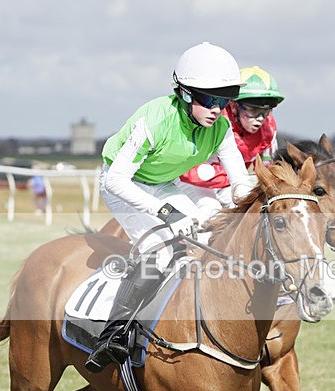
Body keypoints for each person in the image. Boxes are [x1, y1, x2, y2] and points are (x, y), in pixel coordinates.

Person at [85, 42, 252, 373]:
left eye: (225, 99)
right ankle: (114, 334)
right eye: (210, 99)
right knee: (158, 252)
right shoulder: (154, 120)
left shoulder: (220, 128)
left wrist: (257, 201)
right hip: (122, 184)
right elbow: (118, 180)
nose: (218, 109)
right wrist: (163, 213)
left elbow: (240, 184)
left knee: (206, 238)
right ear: (187, 93)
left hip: (164, 184)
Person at [177, 65, 284, 221]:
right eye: (253, 110)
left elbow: (267, 169)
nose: (261, 118)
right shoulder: (214, 122)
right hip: (191, 179)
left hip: (227, 182)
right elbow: (195, 173)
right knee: (210, 209)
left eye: (266, 111)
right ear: (234, 106)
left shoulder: (268, 128)